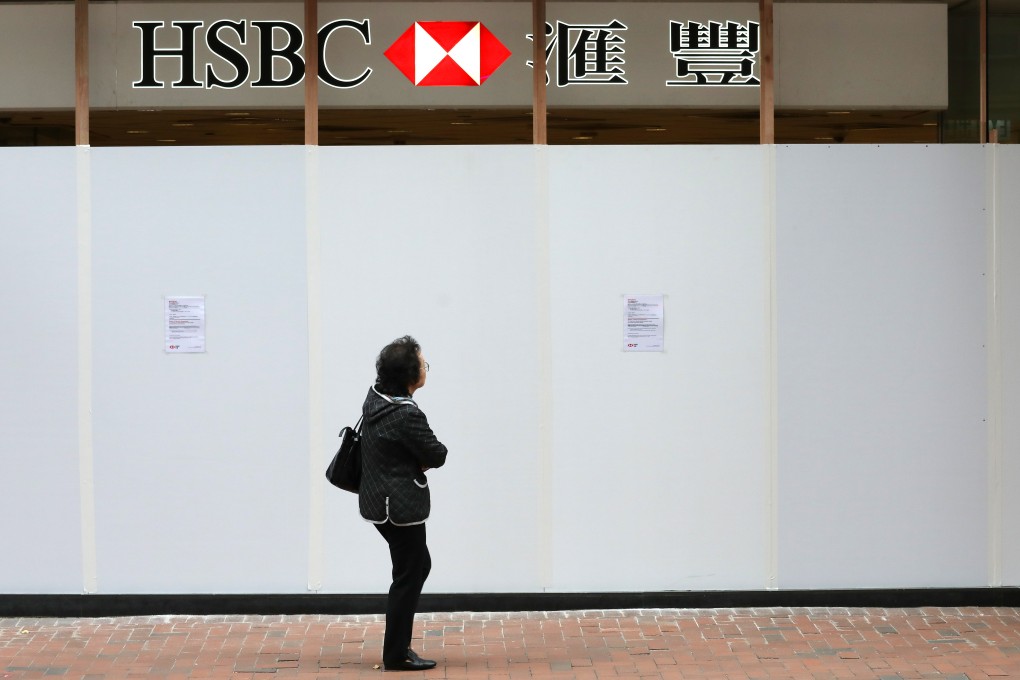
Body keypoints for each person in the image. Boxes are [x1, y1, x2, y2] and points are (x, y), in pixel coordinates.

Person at [359, 335, 448, 671]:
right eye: (423, 363)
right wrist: (418, 461)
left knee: (415, 567)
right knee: (410, 572)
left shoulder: (376, 398)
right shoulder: (406, 415)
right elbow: (437, 454)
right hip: (398, 507)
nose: (426, 367)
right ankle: (396, 654)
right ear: (411, 376)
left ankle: (398, 647)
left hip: (377, 500)